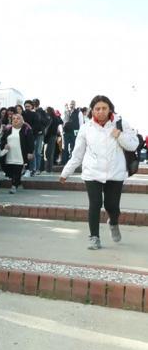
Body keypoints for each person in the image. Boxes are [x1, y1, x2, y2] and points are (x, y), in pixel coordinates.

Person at [60, 95, 139, 250]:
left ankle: (113, 222)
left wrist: (120, 136)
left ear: (110, 109)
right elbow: (77, 154)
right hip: (92, 173)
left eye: (104, 108)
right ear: (92, 111)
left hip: (115, 172)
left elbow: (134, 145)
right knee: (95, 204)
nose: (101, 112)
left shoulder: (121, 124)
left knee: (112, 206)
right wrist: (65, 172)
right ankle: (94, 237)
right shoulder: (86, 128)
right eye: (97, 109)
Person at [0, 108, 35, 194]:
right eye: (14, 119)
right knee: (10, 171)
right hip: (9, 155)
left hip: (20, 155)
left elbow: (30, 142)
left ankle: (14, 186)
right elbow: (3, 140)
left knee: (17, 170)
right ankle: (17, 182)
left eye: (18, 118)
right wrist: (4, 145)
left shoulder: (26, 129)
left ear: (22, 120)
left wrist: (30, 152)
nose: (15, 120)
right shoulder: (8, 129)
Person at [62, 100, 84, 164]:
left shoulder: (79, 112)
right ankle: (64, 161)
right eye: (71, 104)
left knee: (74, 146)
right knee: (65, 147)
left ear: (75, 105)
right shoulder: (66, 112)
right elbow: (64, 121)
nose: (71, 105)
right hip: (66, 132)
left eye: (73, 104)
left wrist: (80, 133)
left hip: (75, 132)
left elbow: (81, 123)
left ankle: (73, 161)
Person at [44, 106, 63, 172]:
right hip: (52, 136)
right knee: (48, 153)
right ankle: (48, 169)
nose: (45, 112)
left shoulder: (52, 118)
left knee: (49, 153)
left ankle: (49, 169)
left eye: (46, 110)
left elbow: (50, 129)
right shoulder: (53, 118)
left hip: (51, 136)